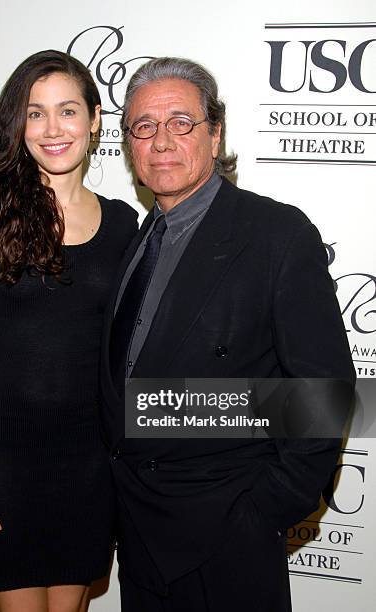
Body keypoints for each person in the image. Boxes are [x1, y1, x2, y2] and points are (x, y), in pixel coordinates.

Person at [99, 57, 356, 612]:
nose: (161, 140)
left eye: (181, 122)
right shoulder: (135, 237)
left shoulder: (276, 235)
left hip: (227, 547)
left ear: (215, 136)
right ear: (129, 147)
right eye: (144, 126)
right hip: (141, 540)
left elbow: (323, 393)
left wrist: (260, 514)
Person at [0, 50, 137, 612]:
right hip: (2, 457)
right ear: (17, 123)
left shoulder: (125, 223)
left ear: (95, 119)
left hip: (87, 462)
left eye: (68, 111)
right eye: (35, 113)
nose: (53, 129)